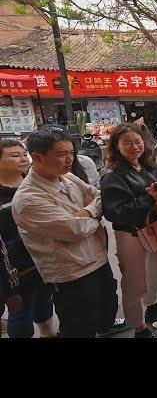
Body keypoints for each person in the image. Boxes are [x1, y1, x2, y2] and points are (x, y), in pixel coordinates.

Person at [12, 127, 119, 338]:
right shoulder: (28, 198)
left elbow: (99, 196)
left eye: (71, 152)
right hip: (72, 273)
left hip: (97, 259)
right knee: (79, 327)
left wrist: (86, 212)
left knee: (105, 313)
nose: (70, 159)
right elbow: (75, 230)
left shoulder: (67, 177)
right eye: (62, 154)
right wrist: (94, 215)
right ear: (37, 157)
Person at [101, 123, 157, 338]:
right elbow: (116, 212)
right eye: (127, 143)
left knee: (156, 271)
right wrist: (149, 197)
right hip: (131, 234)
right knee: (134, 282)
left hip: (154, 229)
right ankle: (139, 327)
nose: (134, 147)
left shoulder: (148, 167)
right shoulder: (113, 176)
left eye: (137, 141)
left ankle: (152, 305)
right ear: (116, 146)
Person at [0, 140, 56, 338]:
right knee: (21, 313)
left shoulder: (35, 182)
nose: (23, 159)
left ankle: (48, 333)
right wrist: (7, 286)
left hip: (45, 260)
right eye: (15, 155)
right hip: (15, 272)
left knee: (44, 303)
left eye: (24, 154)